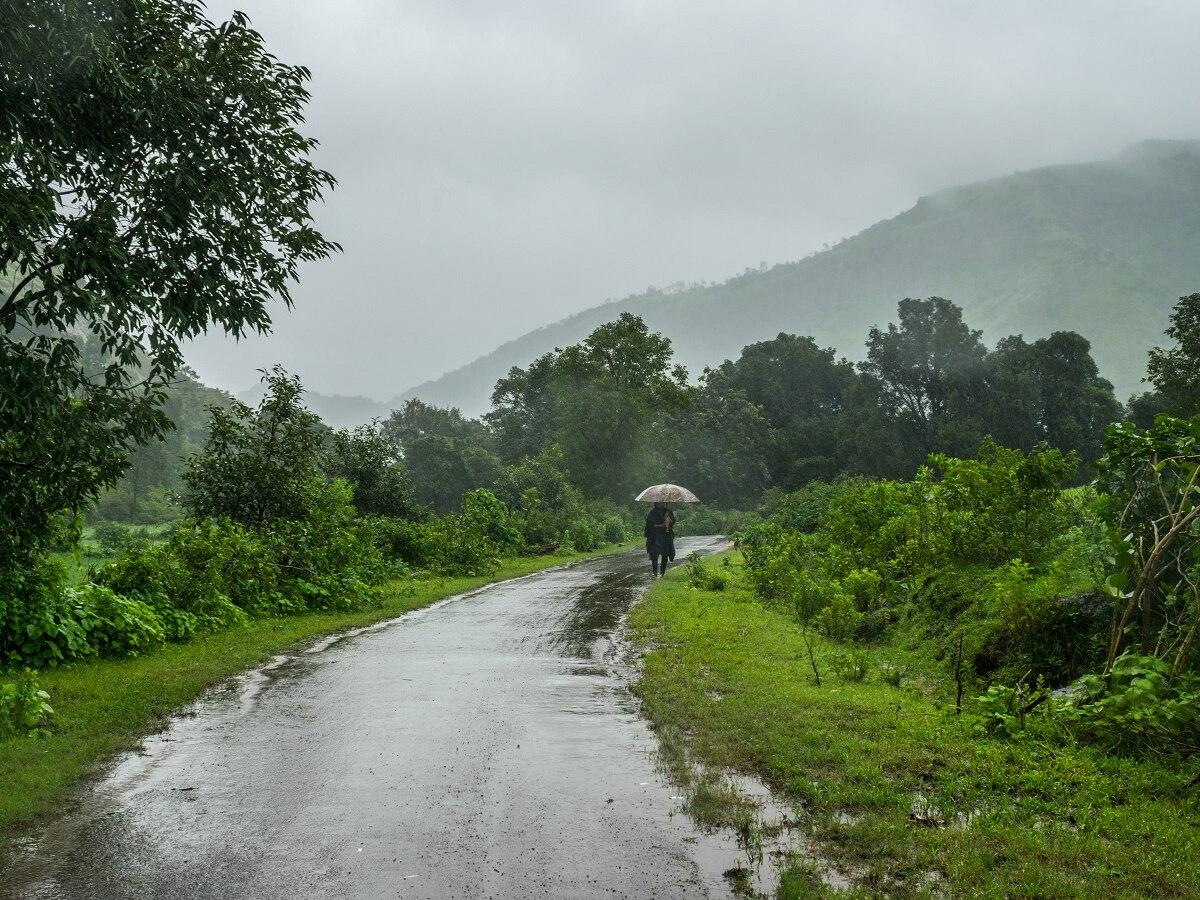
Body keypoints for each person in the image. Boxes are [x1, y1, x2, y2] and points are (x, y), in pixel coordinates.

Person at [644, 502, 676, 577]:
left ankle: (662, 572)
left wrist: (668, 518)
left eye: (663, 502)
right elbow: (650, 525)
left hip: (666, 535)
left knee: (665, 554)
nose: (661, 503)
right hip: (655, 536)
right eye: (659, 502)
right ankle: (654, 572)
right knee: (654, 554)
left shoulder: (668, 511)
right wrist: (661, 525)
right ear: (656, 503)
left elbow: (672, 522)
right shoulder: (652, 512)